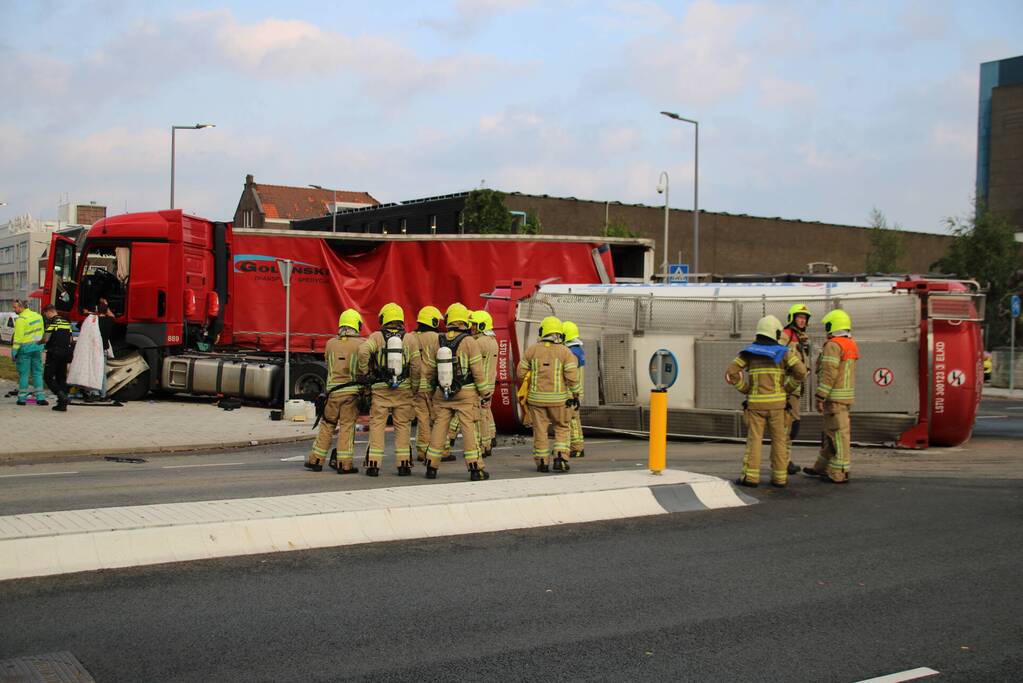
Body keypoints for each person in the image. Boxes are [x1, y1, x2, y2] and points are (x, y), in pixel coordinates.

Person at [726, 315, 807, 488]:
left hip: (756, 405)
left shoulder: (749, 352)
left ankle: (751, 477)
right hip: (778, 405)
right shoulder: (783, 352)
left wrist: (745, 388)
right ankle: (780, 478)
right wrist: (788, 388)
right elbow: (801, 371)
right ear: (776, 332)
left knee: (754, 440)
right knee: (779, 441)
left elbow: (732, 371)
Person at [422, 302, 491, 481]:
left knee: (439, 428)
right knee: (469, 430)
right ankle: (475, 468)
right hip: (466, 394)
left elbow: (429, 370)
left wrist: (431, 392)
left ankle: (431, 466)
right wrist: (485, 393)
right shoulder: (469, 342)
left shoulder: (438, 340)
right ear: (464, 321)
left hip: (442, 393)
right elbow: (477, 371)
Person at [357, 303, 421, 477]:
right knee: (403, 426)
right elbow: (416, 367)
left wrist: (365, 372)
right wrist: (414, 387)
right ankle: (403, 464)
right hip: (404, 390)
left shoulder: (376, 337)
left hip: (380, 390)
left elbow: (363, 352)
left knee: (377, 426)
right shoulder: (410, 339)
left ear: (383, 319)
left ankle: (373, 465)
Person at [516, 316, 579, 473]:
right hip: (559, 401)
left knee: (540, 430)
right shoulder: (565, 352)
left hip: (536, 400)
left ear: (542, 331)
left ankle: (542, 462)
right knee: (562, 427)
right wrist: (576, 395)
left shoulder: (532, 350)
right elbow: (572, 377)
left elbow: (520, 373)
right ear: (559, 333)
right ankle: (560, 459)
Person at [306, 309, 365, 474]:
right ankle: (344, 464)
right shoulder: (361, 344)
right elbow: (364, 367)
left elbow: (328, 362)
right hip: (350, 394)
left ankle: (315, 460)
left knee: (327, 424)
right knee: (347, 426)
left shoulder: (330, 343)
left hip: (332, 393)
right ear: (357, 324)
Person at [804, 309, 858, 484]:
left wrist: (820, 396)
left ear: (832, 325)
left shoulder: (833, 345)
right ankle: (821, 467)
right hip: (842, 397)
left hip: (834, 398)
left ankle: (839, 472)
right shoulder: (850, 344)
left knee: (838, 436)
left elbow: (829, 373)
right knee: (831, 434)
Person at [781, 304, 812, 474]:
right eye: (800, 317)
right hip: (788, 386)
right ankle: (783, 461)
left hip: (795, 386)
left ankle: (785, 459)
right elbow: (780, 354)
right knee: (790, 424)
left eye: (805, 318)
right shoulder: (786, 334)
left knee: (792, 424)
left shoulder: (800, 337)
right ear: (792, 318)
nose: (802, 320)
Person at [411, 306, 442, 463]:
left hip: (415, 385)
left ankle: (423, 450)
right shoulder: (437, 338)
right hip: (432, 385)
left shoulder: (410, 337)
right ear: (433, 321)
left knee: (422, 418)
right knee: (438, 418)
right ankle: (439, 450)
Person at [469, 310, 499, 458]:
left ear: (482, 325)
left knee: (479, 415)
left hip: (480, 385)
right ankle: (489, 440)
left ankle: (484, 446)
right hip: (489, 384)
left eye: (475, 324)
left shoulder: (479, 342)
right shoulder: (493, 340)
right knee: (486, 412)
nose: (472, 327)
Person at [11, 300, 47, 406]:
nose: (14, 309)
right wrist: (41, 346)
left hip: (25, 350)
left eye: (15, 307)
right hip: (37, 348)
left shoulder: (21, 319)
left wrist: (14, 351)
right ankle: (40, 397)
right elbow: (42, 332)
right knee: (37, 373)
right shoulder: (38, 316)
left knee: (24, 374)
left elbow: (18, 337)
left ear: (21, 307)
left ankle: (22, 398)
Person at [42, 304, 74, 412]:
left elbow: (46, 339)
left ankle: (61, 396)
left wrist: (38, 342)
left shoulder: (52, 322)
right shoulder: (66, 322)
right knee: (61, 378)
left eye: (45, 314)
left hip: (54, 353)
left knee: (48, 376)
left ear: (49, 311)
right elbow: (70, 339)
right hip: (65, 353)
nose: (46, 316)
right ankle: (62, 405)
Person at [562, 321, 586, 458]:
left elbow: (569, 375)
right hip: (575, 391)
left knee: (572, 421)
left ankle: (576, 448)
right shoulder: (578, 350)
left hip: (571, 392)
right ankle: (572, 446)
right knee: (572, 421)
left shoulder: (571, 353)